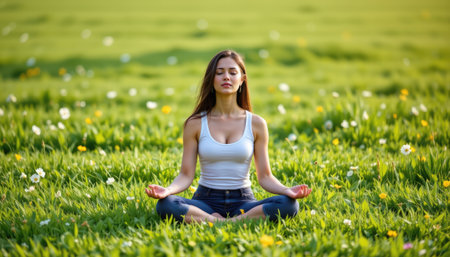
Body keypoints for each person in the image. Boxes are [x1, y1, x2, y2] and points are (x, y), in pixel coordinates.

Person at [145, 50, 312, 223]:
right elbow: (186, 175)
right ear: (211, 79)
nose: (226, 77)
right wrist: (167, 191)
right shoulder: (195, 124)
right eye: (219, 73)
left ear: (242, 80)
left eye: (233, 73)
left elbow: (265, 176)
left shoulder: (256, 124)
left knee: (289, 205)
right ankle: (235, 221)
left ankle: (215, 221)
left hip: (243, 201)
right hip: (205, 200)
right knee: (166, 205)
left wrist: (287, 191)